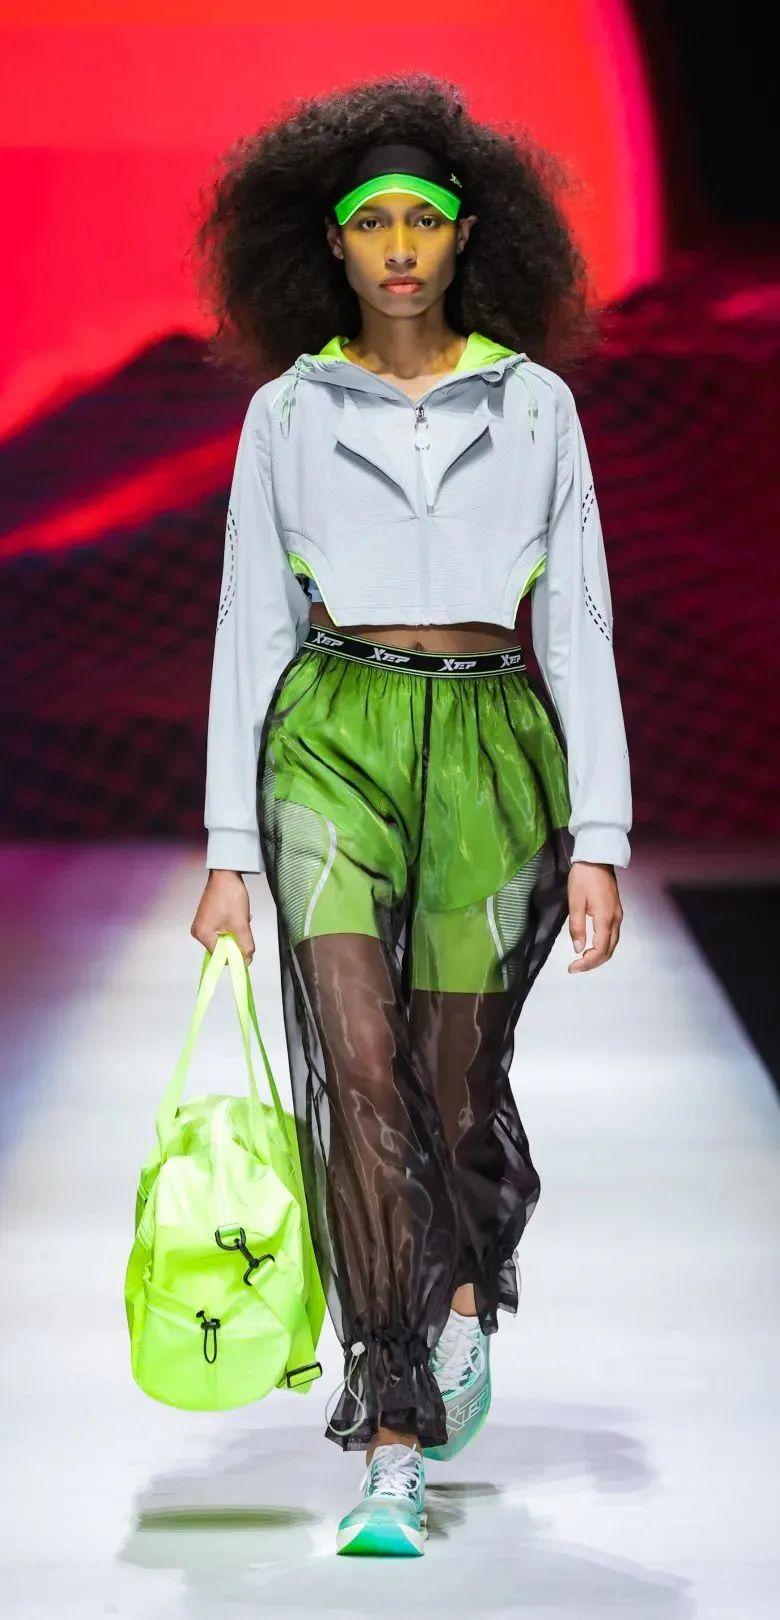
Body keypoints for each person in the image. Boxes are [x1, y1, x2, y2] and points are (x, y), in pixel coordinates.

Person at [189, 75, 631, 1557]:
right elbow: (251, 625)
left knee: (453, 1086)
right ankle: (389, 1429)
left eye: (421, 221)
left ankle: (460, 1286)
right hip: (331, 742)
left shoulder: (536, 405)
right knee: (360, 1075)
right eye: (370, 221)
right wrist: (230, 853)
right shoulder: (285, 413)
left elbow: (579, 623)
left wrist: (602, 837)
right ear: (329, 242)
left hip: (495, 744)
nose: (396, 247)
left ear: (464, 237)